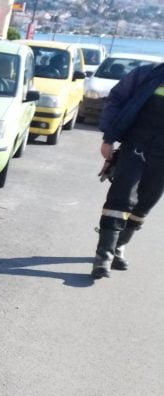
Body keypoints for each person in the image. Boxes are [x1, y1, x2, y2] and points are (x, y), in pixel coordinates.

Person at [92, 61, 164, 279]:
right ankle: (103, 257)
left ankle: (119, 246)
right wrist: (109, 137)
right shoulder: (146, 74)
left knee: (144, 205)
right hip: (135, 147)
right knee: (120, 200)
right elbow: (117, 99)